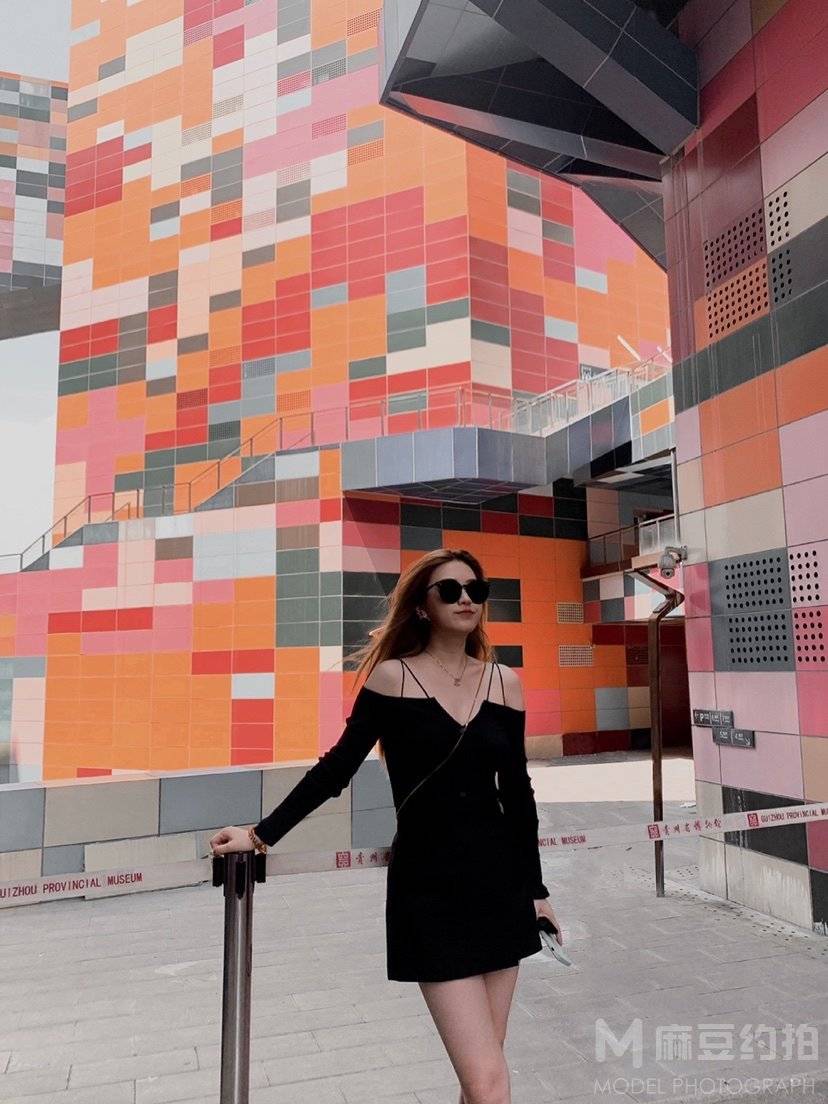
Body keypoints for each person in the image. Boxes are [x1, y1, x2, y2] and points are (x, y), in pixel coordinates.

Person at [209, 547, 564, 1104]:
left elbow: (518, 799)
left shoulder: (504, 683)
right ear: (422, 606)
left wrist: (537, 891)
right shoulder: (393, 679)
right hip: (430, 891)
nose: (466, 599)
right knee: (489, 1083)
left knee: (484, 1077)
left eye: (475, 589)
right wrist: (259, 835)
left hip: (500, 891)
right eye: (450, 590)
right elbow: (336, 769)